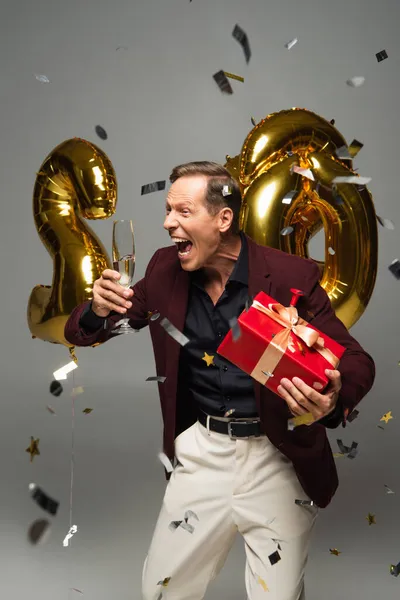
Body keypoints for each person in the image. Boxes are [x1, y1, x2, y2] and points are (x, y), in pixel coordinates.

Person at [65, 161, 375, 600]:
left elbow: (358, 360)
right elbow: (90, 329)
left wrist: (334, 396)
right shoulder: (161, 270)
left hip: (277, 459)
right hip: (202, 453)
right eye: (168, 210)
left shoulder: (290, 276)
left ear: (223, 218)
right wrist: (97, 310)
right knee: (162, 591)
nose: (168, 222)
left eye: (183, 211)